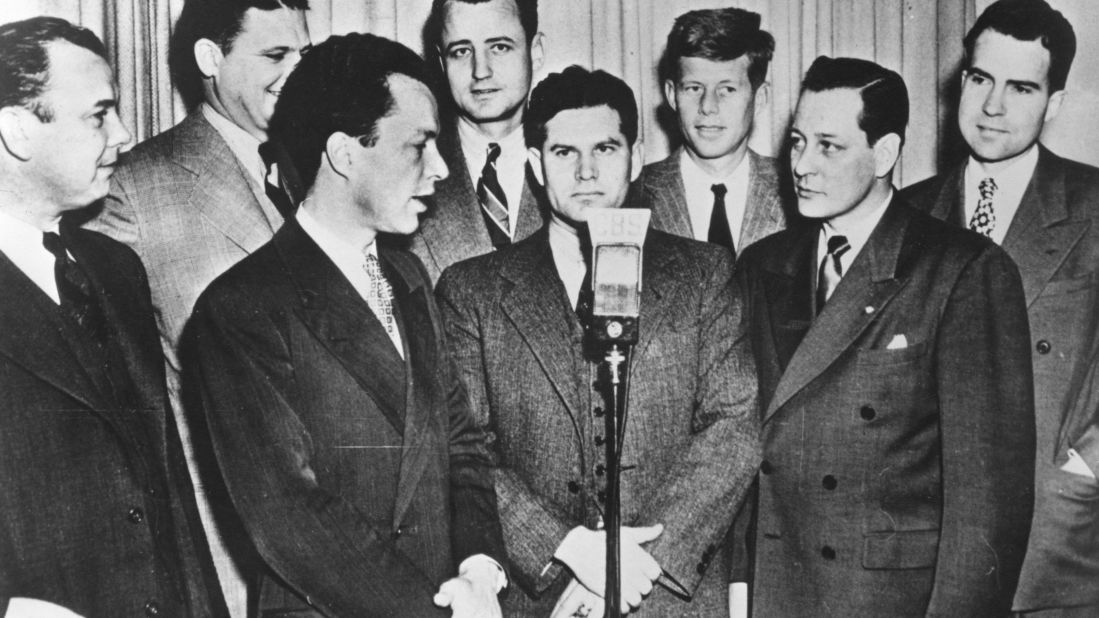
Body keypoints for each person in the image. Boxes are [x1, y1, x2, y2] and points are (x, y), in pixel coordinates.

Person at [182, 32, 508, 617]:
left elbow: (463, 447)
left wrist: (480, 570)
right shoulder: (240, 308)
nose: (440, 170)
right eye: (419, 146)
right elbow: (289, 514)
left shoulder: (409, 278)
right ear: (345, 153)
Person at [436, 66, 760, 617]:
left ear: (635, 157)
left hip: (667, 594)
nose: (587, 171)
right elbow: (466, 445)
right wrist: (570, 550)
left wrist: (631, 567)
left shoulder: (705, 274)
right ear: (536, 165)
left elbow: (734, 426)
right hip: (541, 595)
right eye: (564, 153)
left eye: (605, 149)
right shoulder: (471, 291)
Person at [735, 56, 1035, 616]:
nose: (802, 164)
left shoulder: (961, 270)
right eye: (797, 141)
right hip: (777, 591)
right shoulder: (762, 266)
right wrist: (736, 586)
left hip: (886, 598)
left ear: (886, 154)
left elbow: (988, 503)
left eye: (830, 146)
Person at [82, 1, 311, 614]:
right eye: (275, 55)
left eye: (303, 55)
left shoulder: (319, 167)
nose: (297, 72)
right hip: (226, 536)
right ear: (210, 58)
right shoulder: (132, 188)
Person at [0, 16, 226, 618]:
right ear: (18, 131)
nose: (124, 134)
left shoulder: (114, 268)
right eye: (99, 115)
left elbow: (170, 486)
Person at [902, 2, 1099, 613]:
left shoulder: (1095, 207)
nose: (992, 107)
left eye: (1021, 87)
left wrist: (1088, 469)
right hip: (924, 548)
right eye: (981, 79)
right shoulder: (903, 214)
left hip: (1053, 544)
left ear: (1055, 102)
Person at [410, 0, 548, 283]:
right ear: (441, 62)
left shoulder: (580, 168)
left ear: (535, 52)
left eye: (499, 47)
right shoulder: (406, 172)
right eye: (461, 52)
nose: (480, 71)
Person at [639, 7, 790, 257]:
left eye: (727, 89)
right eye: (693, 88)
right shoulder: (633, 194)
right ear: (671, 96)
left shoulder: (797, 193)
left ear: (760, 97)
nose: (708, 107)